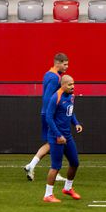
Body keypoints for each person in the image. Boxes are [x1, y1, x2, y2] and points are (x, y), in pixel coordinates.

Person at [24, 52, 69, 181]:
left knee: (50, 143)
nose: (67, 67)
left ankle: (31, 166)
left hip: (46, 112)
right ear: (58, 63)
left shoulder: (48, 74)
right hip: (50, 114)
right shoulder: (55, 78)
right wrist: (52, 114)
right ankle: (54, 171)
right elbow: (48, 97)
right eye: (65, 64)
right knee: (57, 141)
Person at [41, 74, 83, 203]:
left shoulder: (71, 96)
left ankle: (68, 188)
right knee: (56, 166)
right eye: (70, 84)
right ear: (63, 85)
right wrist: (58, 135)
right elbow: (48, 117)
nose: (73, 86)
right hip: (56, 137)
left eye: (73, 84)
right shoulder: (56, 97)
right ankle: (48, 195)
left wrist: (76, 123)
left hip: (67, 136)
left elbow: (70, 112)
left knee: (75, 162)